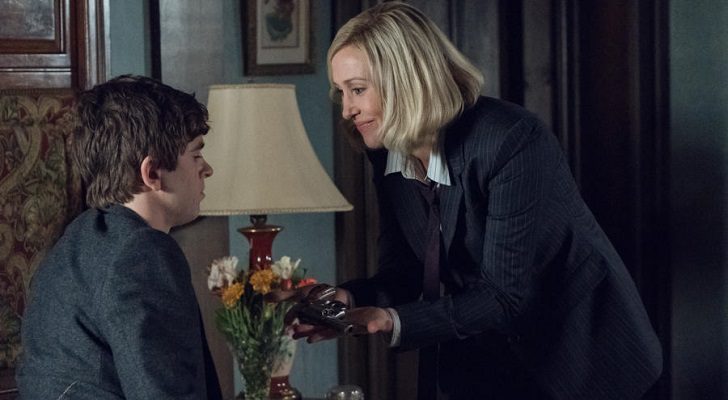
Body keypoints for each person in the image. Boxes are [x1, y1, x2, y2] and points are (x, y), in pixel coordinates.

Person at [273, 3, 663, 400]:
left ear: (407, 79)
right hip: (489, 353)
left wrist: (388, 319)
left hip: (585, 355)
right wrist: (347, 299)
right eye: (341, 92)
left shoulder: (512, 140)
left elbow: (503, 295)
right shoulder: (386, 153)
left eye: (357, 89)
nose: (347, 109)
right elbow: (404, 272)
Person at [16, 75, 222, 400]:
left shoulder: (81, 236)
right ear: (152, 173)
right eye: (196, 155)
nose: (207, 169)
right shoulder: (142, 253)